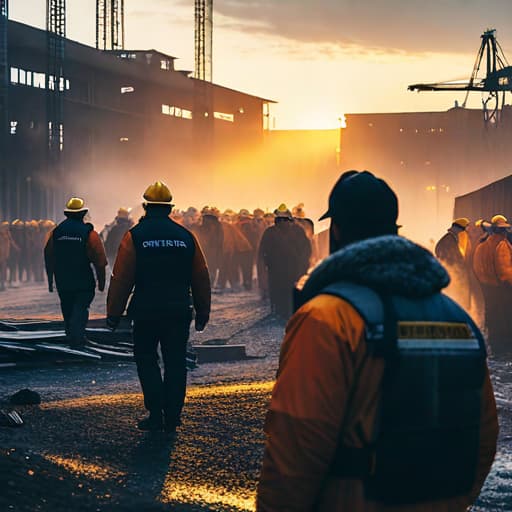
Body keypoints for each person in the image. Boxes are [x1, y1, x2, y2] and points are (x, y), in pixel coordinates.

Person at [257, 170, 498, 511]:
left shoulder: (327, 317)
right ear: (394, 228)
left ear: (336, 231)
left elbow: (296, 446)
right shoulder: (457, 318)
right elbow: (484, 434)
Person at [106, 181, 211, 433]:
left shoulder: (135, 237)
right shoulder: (186, 237)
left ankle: (155, 412)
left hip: (146, 310)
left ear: (146, 206)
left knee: (146, 358)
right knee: (176, 362)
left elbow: (121, 278)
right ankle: (173, 416)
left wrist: (114, 313)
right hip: (178, 311)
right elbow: (201, 276)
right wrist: (203, 311)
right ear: (169, 208)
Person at [44, 197, 107, 348]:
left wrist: (51, 281)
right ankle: (77, 339)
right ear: (83, 213)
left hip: (63, 280)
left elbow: (48, 256)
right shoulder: (89, 233)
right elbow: (100, 260)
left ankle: (71, 336)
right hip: (83, 280)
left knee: (67, 306)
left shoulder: (56, 233)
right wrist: (101, 283)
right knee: (81, 307)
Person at [258, 204, 311, 320]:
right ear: (276, 220)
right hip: (276, 270)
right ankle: (280, 312)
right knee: (278, 292)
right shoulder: (270, 232)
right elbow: (262, 253)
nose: (282, 222)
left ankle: (289, 313)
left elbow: (306, 251)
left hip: (293, 269)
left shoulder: (298, 231)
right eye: (280, 220)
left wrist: (303, 268)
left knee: (290, 292)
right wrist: (262, 272)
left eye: (284, 220)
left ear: (289, 220)